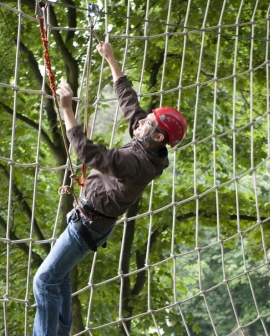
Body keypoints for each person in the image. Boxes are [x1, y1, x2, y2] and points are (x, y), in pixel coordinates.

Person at [32, 42, 187, 336]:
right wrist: (112, 60)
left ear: (156, 136)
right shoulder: (148, 144)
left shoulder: (136, 163)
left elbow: (90, 154)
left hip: (87, 226)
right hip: (86, 220)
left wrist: (66, 110)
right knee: (59, 278)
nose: (140, 122)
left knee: (44, 281)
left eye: (148, 123)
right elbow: (130, 105)